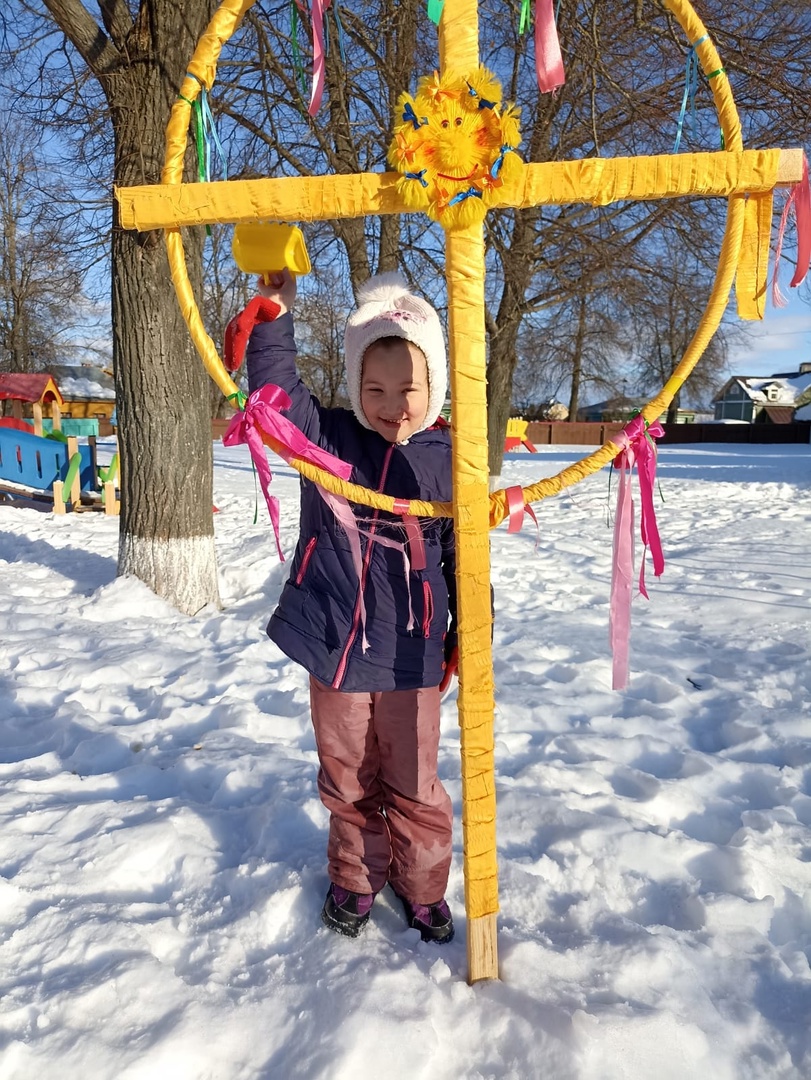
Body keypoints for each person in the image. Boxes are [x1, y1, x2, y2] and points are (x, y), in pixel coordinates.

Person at [239, 268, 457, 944]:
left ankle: (423, 887)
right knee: (348, 779)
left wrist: (465, 635)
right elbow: (276, 398)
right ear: (357, 388)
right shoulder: (328, 440)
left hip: (411, 655)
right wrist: (274, 315)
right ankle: (356, 878)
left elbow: (463, 558)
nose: (393, 406)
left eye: (408, 390)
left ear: (434, 387)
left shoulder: (451, 460)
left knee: (415, 782)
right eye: (375, 389)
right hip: (336, 645)